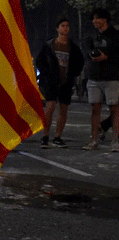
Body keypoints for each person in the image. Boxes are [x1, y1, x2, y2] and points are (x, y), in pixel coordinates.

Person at [35, 18, 84, 148]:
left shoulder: (73, 47)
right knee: (50, 107)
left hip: (66, 81)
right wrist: (46, 74)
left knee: (63, 109)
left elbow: (80, 62)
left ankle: (58, 137)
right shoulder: (49, 45)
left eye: (67, 26)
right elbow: (39, 61)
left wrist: (74, 74)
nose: (65, 28)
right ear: (58, 29)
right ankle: (45, 136)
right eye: (62, 26)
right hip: (51, 82)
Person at [82, 8, 119, 151]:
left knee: (114, 109)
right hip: (94, 76)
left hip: (112, 77)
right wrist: (91, 56)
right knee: (94, 109)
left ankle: (115, 141)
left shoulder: (115, 35)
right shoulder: (92, 36)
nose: (95, 21)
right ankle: (94, 140)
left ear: (105, 19)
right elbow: (86, 52)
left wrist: (107, 57)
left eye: (97, 18)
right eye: (93, 18)